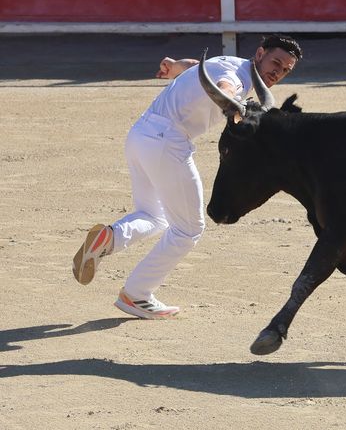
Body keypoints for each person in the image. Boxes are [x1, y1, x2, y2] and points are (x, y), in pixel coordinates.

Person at [72, 34, 303, 319]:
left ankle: (108, 239)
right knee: (189, 230)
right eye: (275, 62)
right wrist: (230, 102)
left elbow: (198, 66)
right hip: (168, 143)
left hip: (140, 136)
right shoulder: (237, 78)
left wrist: (176, 66)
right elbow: (225, 85)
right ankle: (136, 294)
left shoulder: (228, 61)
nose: (277, 72)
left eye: (285, 70)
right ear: (259, 54)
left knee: (154, 216)